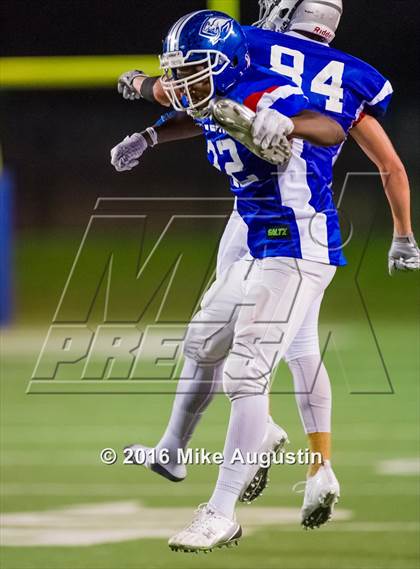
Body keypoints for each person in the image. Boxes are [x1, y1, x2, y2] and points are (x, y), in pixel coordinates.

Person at [111, 0, 419, 535]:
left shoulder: (261, 79)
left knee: (251, 368)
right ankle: (191, 450)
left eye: (189, 72)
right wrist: (152, 130)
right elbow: (191, 102)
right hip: (258, 233)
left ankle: (223, 510)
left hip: (298, 238)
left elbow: (327, 128)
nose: (181, 82)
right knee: (205, 344)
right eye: (179, 73)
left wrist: (286, 124)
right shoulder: (227, 83)